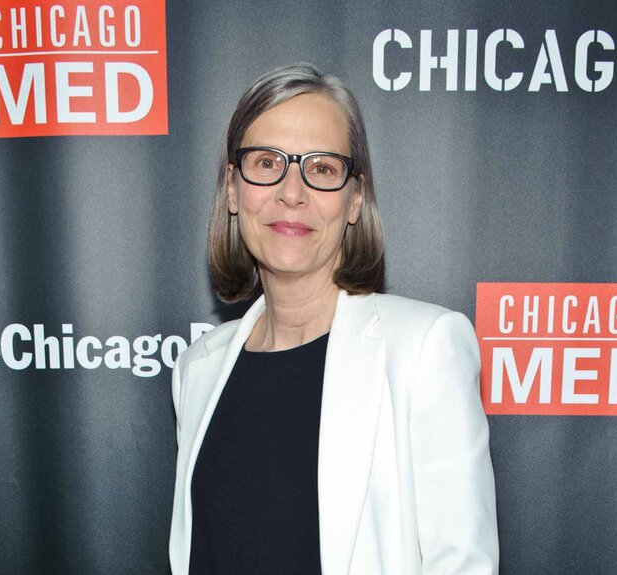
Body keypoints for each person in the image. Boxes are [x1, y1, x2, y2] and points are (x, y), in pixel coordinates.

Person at [169, 63, 498, 575]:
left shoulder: (423, 350)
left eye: (321, 168)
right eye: (266, 162)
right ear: (233, 189)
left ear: (354, 198)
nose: (291, 192)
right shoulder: (198, 369)